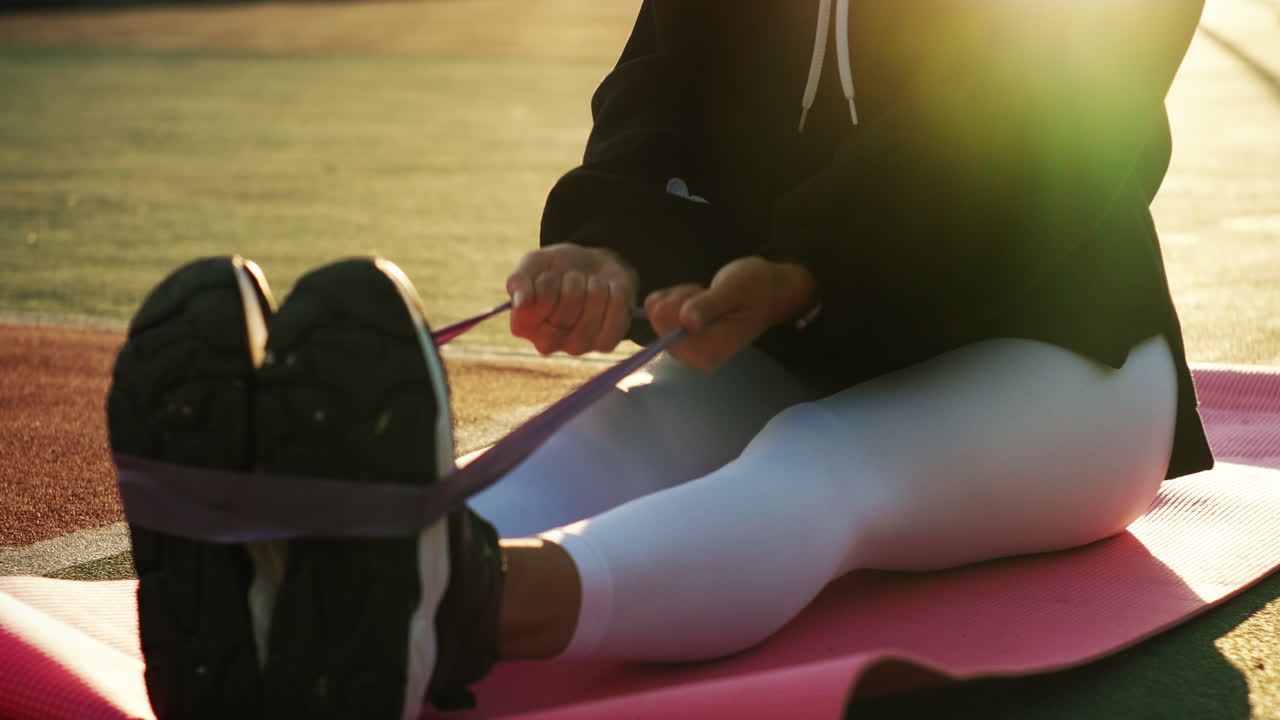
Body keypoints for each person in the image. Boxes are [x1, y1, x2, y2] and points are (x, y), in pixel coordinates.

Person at [107, 1, 1214, 719]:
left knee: (820, 462)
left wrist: (805, 267)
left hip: (1061, 360)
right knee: (619, 428)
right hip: (790, 320)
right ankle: (306, 573)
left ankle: (457, 608)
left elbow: (1030, 133)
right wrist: (611, 241)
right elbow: (660, 97)